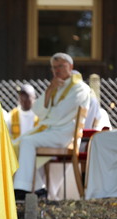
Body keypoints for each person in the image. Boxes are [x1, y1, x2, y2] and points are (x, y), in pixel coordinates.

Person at [13, 52, 90, 200]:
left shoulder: (80, 88)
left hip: (64, 135)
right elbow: (37, 111)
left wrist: (47, 115)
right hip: (53, 130)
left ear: (71, 66)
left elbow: (59, 114)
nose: (57, 70)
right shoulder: (57, 85)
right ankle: (38, 189)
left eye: (61, 66)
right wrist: (49, 90)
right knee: (18, 143)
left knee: (27, 142)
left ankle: (22, 189)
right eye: (54, 67)